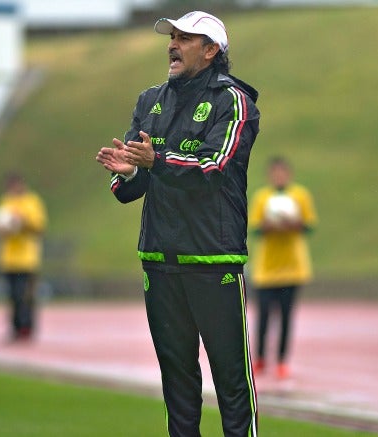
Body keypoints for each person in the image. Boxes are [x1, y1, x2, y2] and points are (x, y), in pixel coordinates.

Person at [95, 11, 260, 436]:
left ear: (211, 51)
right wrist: (130, 173)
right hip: (159, 260)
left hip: (213, 260)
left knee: (232, 384)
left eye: (185, 38)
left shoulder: (233, 100)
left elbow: (213, 169)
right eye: (171, 36)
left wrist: (156, 161)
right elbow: (129, 186)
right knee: (177, 384)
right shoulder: (149, 100)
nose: (172, 44)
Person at [249, 156, 317, 379]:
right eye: (275, 172)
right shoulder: (262, 197)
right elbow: (256, 229)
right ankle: (259, 358)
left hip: (292, 269)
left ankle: (281, 361)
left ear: (289, 174)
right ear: (270, 175)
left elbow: (308, 226)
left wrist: (294, 224)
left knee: (287, 317)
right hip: (267, 270)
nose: (279, 176)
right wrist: (269, 226)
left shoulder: (300, 196)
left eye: (282, 172)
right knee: (264, 317)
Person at [0, 171, 46, 341]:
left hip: (27, 259)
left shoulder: (32, 202)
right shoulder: (5, 202)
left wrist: (22, 222)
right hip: (8, 259)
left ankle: (27, 328)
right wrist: (4, 228)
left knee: (25, 296)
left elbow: (39, 228)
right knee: (13, 297)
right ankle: (15, 328)